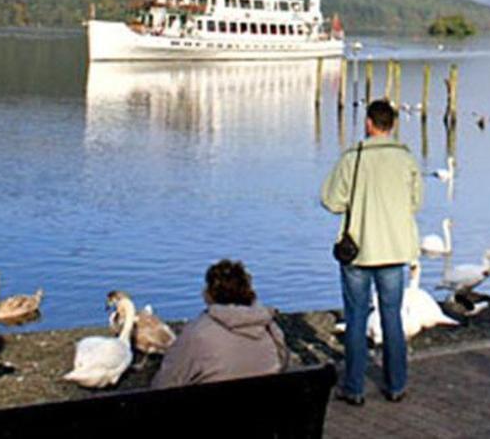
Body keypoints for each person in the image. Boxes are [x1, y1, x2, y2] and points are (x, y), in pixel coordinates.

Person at [321, 98, 421, 405]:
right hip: (393, 250)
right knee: (392, 316)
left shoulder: (354, 157)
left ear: (368, 123)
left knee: (356, 316)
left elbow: (331, 201)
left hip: (358, 250)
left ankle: (354, 387)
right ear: (392, 124)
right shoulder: (406, 158)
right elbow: (415, 202)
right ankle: (396, 384)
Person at [151, 259, 288, 389]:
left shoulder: (198, 334)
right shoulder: (270, 329)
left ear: (208, 294)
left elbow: (164, 384)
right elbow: (283, 364)